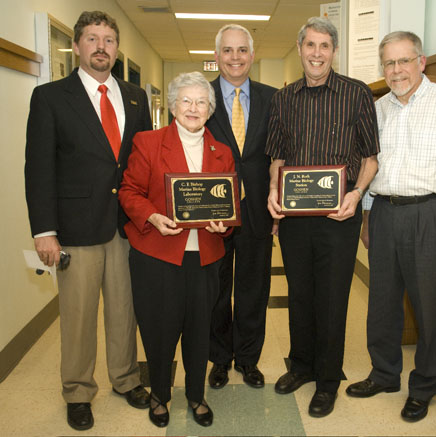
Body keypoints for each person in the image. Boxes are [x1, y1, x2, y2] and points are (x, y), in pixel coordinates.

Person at [24, 11, 151, 431]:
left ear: (117, 48)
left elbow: (144, 162)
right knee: (78, 316)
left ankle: (126, 378)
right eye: (92, 38)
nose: (101, 46)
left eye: (109, 39)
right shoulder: (51, 97)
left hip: (125, 226)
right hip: (75, 228)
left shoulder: (135, 96)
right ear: (76, 45)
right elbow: (38, 168)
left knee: (124, 310)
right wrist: (45, 231)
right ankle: (77, 390)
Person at [345, 31, 436, 423]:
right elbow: (370, 165)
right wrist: (367, 214)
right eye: (389, 63)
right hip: (383, 211)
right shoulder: (377, 108)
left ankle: (424, 386)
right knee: (381, 302)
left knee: (429, 305)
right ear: (382, 68)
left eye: (404, 61)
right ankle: (384, 374)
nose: (397, 70)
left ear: (422, 62)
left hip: (430, 215)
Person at [266, 17, 379, 418]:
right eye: (310, 45)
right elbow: (278, 157)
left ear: (334, 51)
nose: (317, 54)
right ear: (300, 49)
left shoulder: (357, 94)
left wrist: (356, 194)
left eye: (324, 46)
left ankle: (328, 379)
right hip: (296, 217)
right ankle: (301, 366)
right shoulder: (284, 99)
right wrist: (273, 192)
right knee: (299, 294)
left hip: (339, 215)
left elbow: (370, 158)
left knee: (331, 298)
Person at [119, 71, 234, 428]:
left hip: (205, 255)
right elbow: (128, 191)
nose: (193, 108)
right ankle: (160, 395)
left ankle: (197, 395)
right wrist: (152, 216)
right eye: (186, 100)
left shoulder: (222, 151)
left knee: (200, 329)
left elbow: (231, 204)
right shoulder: (149, 142)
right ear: (172, 105)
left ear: (210, 109)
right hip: (158, 255)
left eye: (201, 102)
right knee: (160, 328)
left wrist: (225, 224)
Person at [205, 24, 276, 390]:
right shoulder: (201, 98)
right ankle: (219, 359)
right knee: (215, 292)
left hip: (257, 212)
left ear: (252, 54)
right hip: (213, 213)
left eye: (242, 50)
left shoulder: (272, 98)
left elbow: (281, 154)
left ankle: (248, 359)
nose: (235, 57)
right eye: (228, 51)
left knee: (253, 289)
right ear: (217, 56)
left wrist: (280, 203)